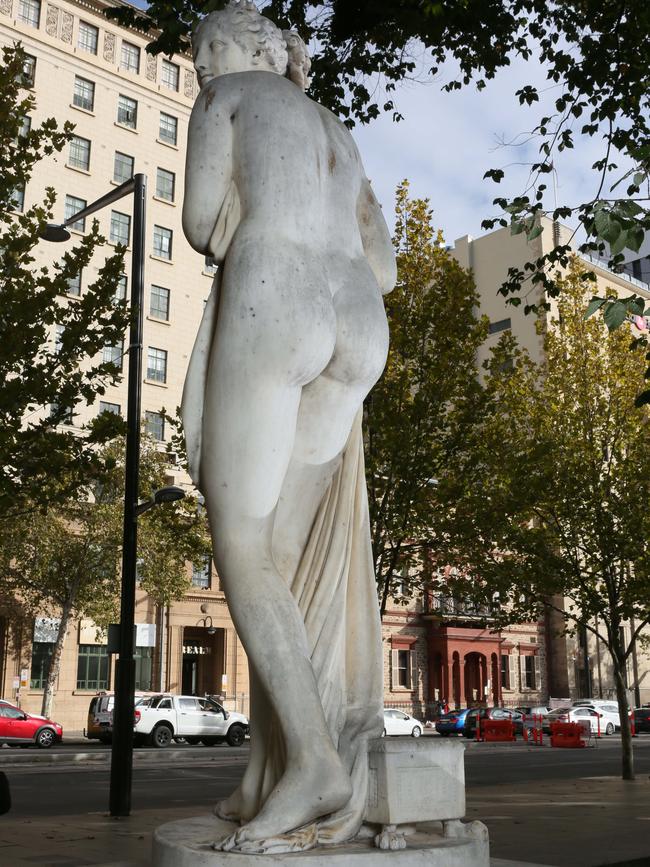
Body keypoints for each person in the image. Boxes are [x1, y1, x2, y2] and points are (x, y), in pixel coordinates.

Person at [181, 1, 395, 855]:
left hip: (277, 296)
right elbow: (384, 262)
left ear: (248, 50)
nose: (200, 64)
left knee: (241, 546)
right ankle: (267, 769)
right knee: (290, 563)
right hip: (355, 317)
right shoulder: (339, 132)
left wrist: (254, 237)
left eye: (206, 47)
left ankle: (311, 761)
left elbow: (201, 224)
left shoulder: (227, 96)